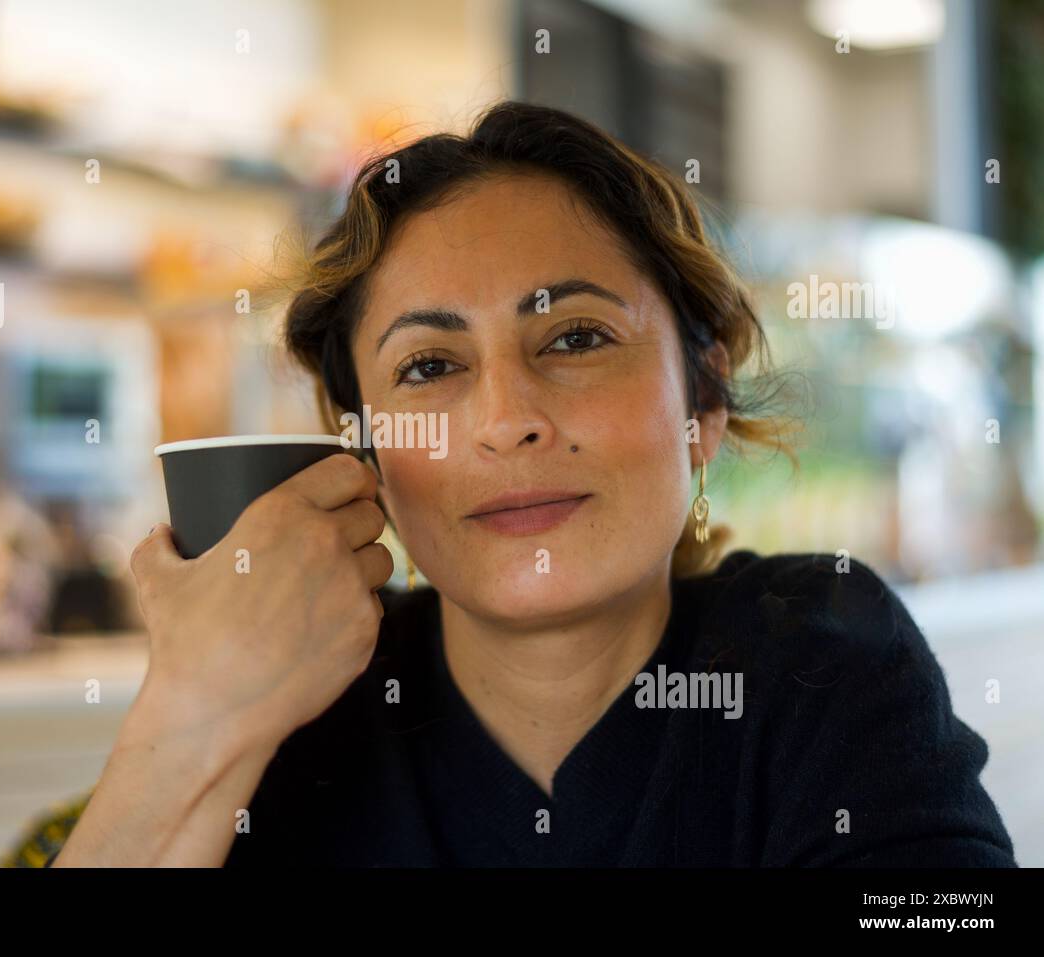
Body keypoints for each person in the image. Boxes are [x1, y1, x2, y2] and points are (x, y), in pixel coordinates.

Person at [49, 100, 1016, 867]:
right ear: (362, 445)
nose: (508, 417)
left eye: (577, 338)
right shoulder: (300, 710)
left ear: (704, 401)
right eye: (430, 366)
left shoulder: (821, 659)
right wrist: (197, 709)